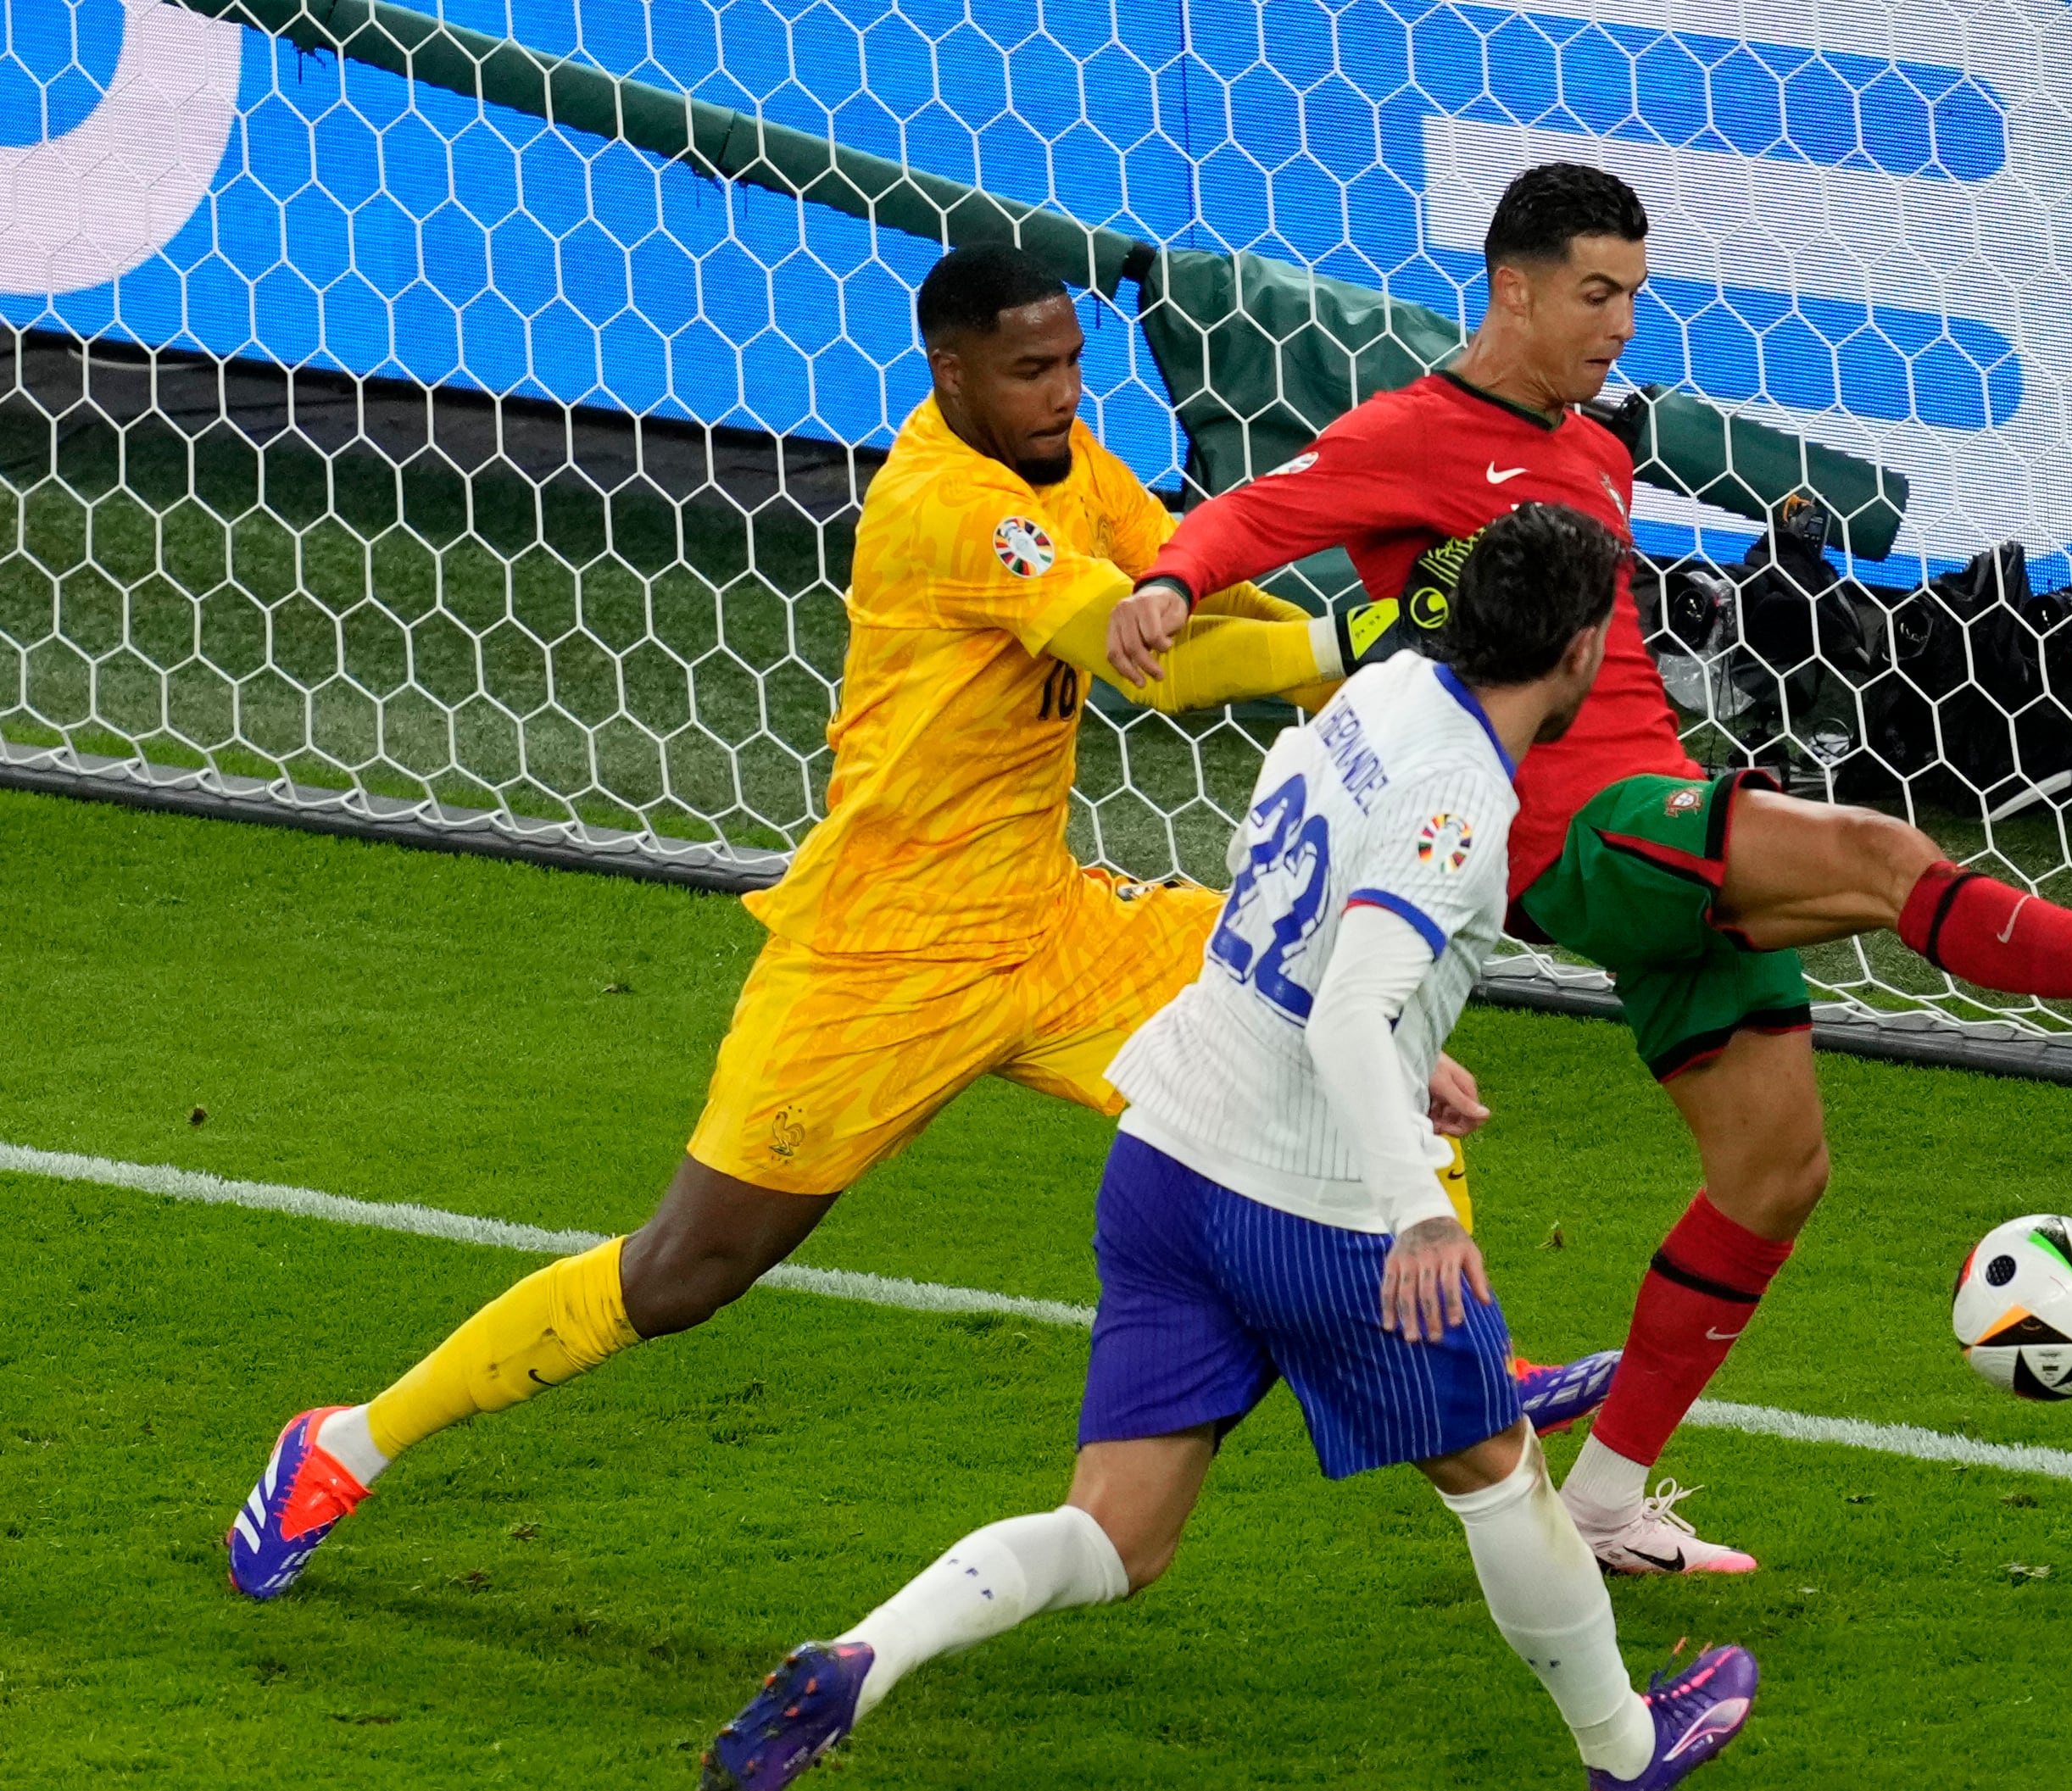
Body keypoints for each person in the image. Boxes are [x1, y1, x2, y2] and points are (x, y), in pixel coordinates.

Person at [224, 242, 1582, 1600]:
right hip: (881, 952)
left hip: (1044, 922)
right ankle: (344, 1441)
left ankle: (1472, 1348)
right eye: (1028, 370)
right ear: (950, 369)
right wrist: (1361, 641)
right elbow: (1143, 656)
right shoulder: (947, 505)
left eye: (1070, 364)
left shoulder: (1072, 462)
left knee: (1325, 993)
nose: (1059, 394)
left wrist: (1359, 673)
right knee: (687, 1269)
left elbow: (1193, 580)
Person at [1105, 164, 2072, 1577]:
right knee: (1872, 852)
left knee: (1775, 1169)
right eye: (1596, 294)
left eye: (1633, 295)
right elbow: (1257, 514)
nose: (1619, 324)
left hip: (1652, 812)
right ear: (1515, 286)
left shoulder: (1598, 453)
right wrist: (1171, 580)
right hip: (1559, 833)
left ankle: (1605, 1499)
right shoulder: (1413, 432)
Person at [694, 503, 1755, 1791]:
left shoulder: (1379, 692)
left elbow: (1281, 883)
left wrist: (1408, 1041)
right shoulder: (1464, 800)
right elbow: (1346, 1010)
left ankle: (865, 1654)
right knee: (1495, 1468)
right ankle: (1625, 1746)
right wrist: (1420, 1206)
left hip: (1166, 1149)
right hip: (1308, 1207)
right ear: (1583, 646)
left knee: (1113, 1534)